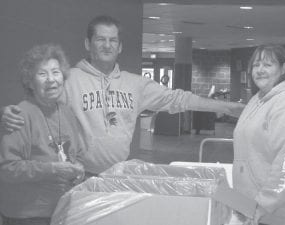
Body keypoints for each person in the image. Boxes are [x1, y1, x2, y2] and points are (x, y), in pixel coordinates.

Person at [1, 15, 244, 175]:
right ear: (88, 44)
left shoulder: (135, 84)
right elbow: (38, 103)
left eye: (112, 40)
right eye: (100, 40)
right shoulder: (70, 79)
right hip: (78, 176)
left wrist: (224, 108)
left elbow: (178, 98)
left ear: (119, 47)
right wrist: (9, 113)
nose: (107, 45)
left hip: (118, 174)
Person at [0, 44, 85, 225]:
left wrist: (77, 168)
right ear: (30, 82)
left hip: (62, 210)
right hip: (28, 215)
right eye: (42, 74)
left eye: (55, 72)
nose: (51, 80)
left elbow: (74, 155)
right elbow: (7, 169)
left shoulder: (67, 112)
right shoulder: (19, 115)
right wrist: (54, 169)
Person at [232, 44, 285, 225]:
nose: (260, 70)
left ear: (284, 69)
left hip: (273, 214)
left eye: (268, 65)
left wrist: (261, 206)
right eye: (256, 65)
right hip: (249, 207)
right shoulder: (258, 98)